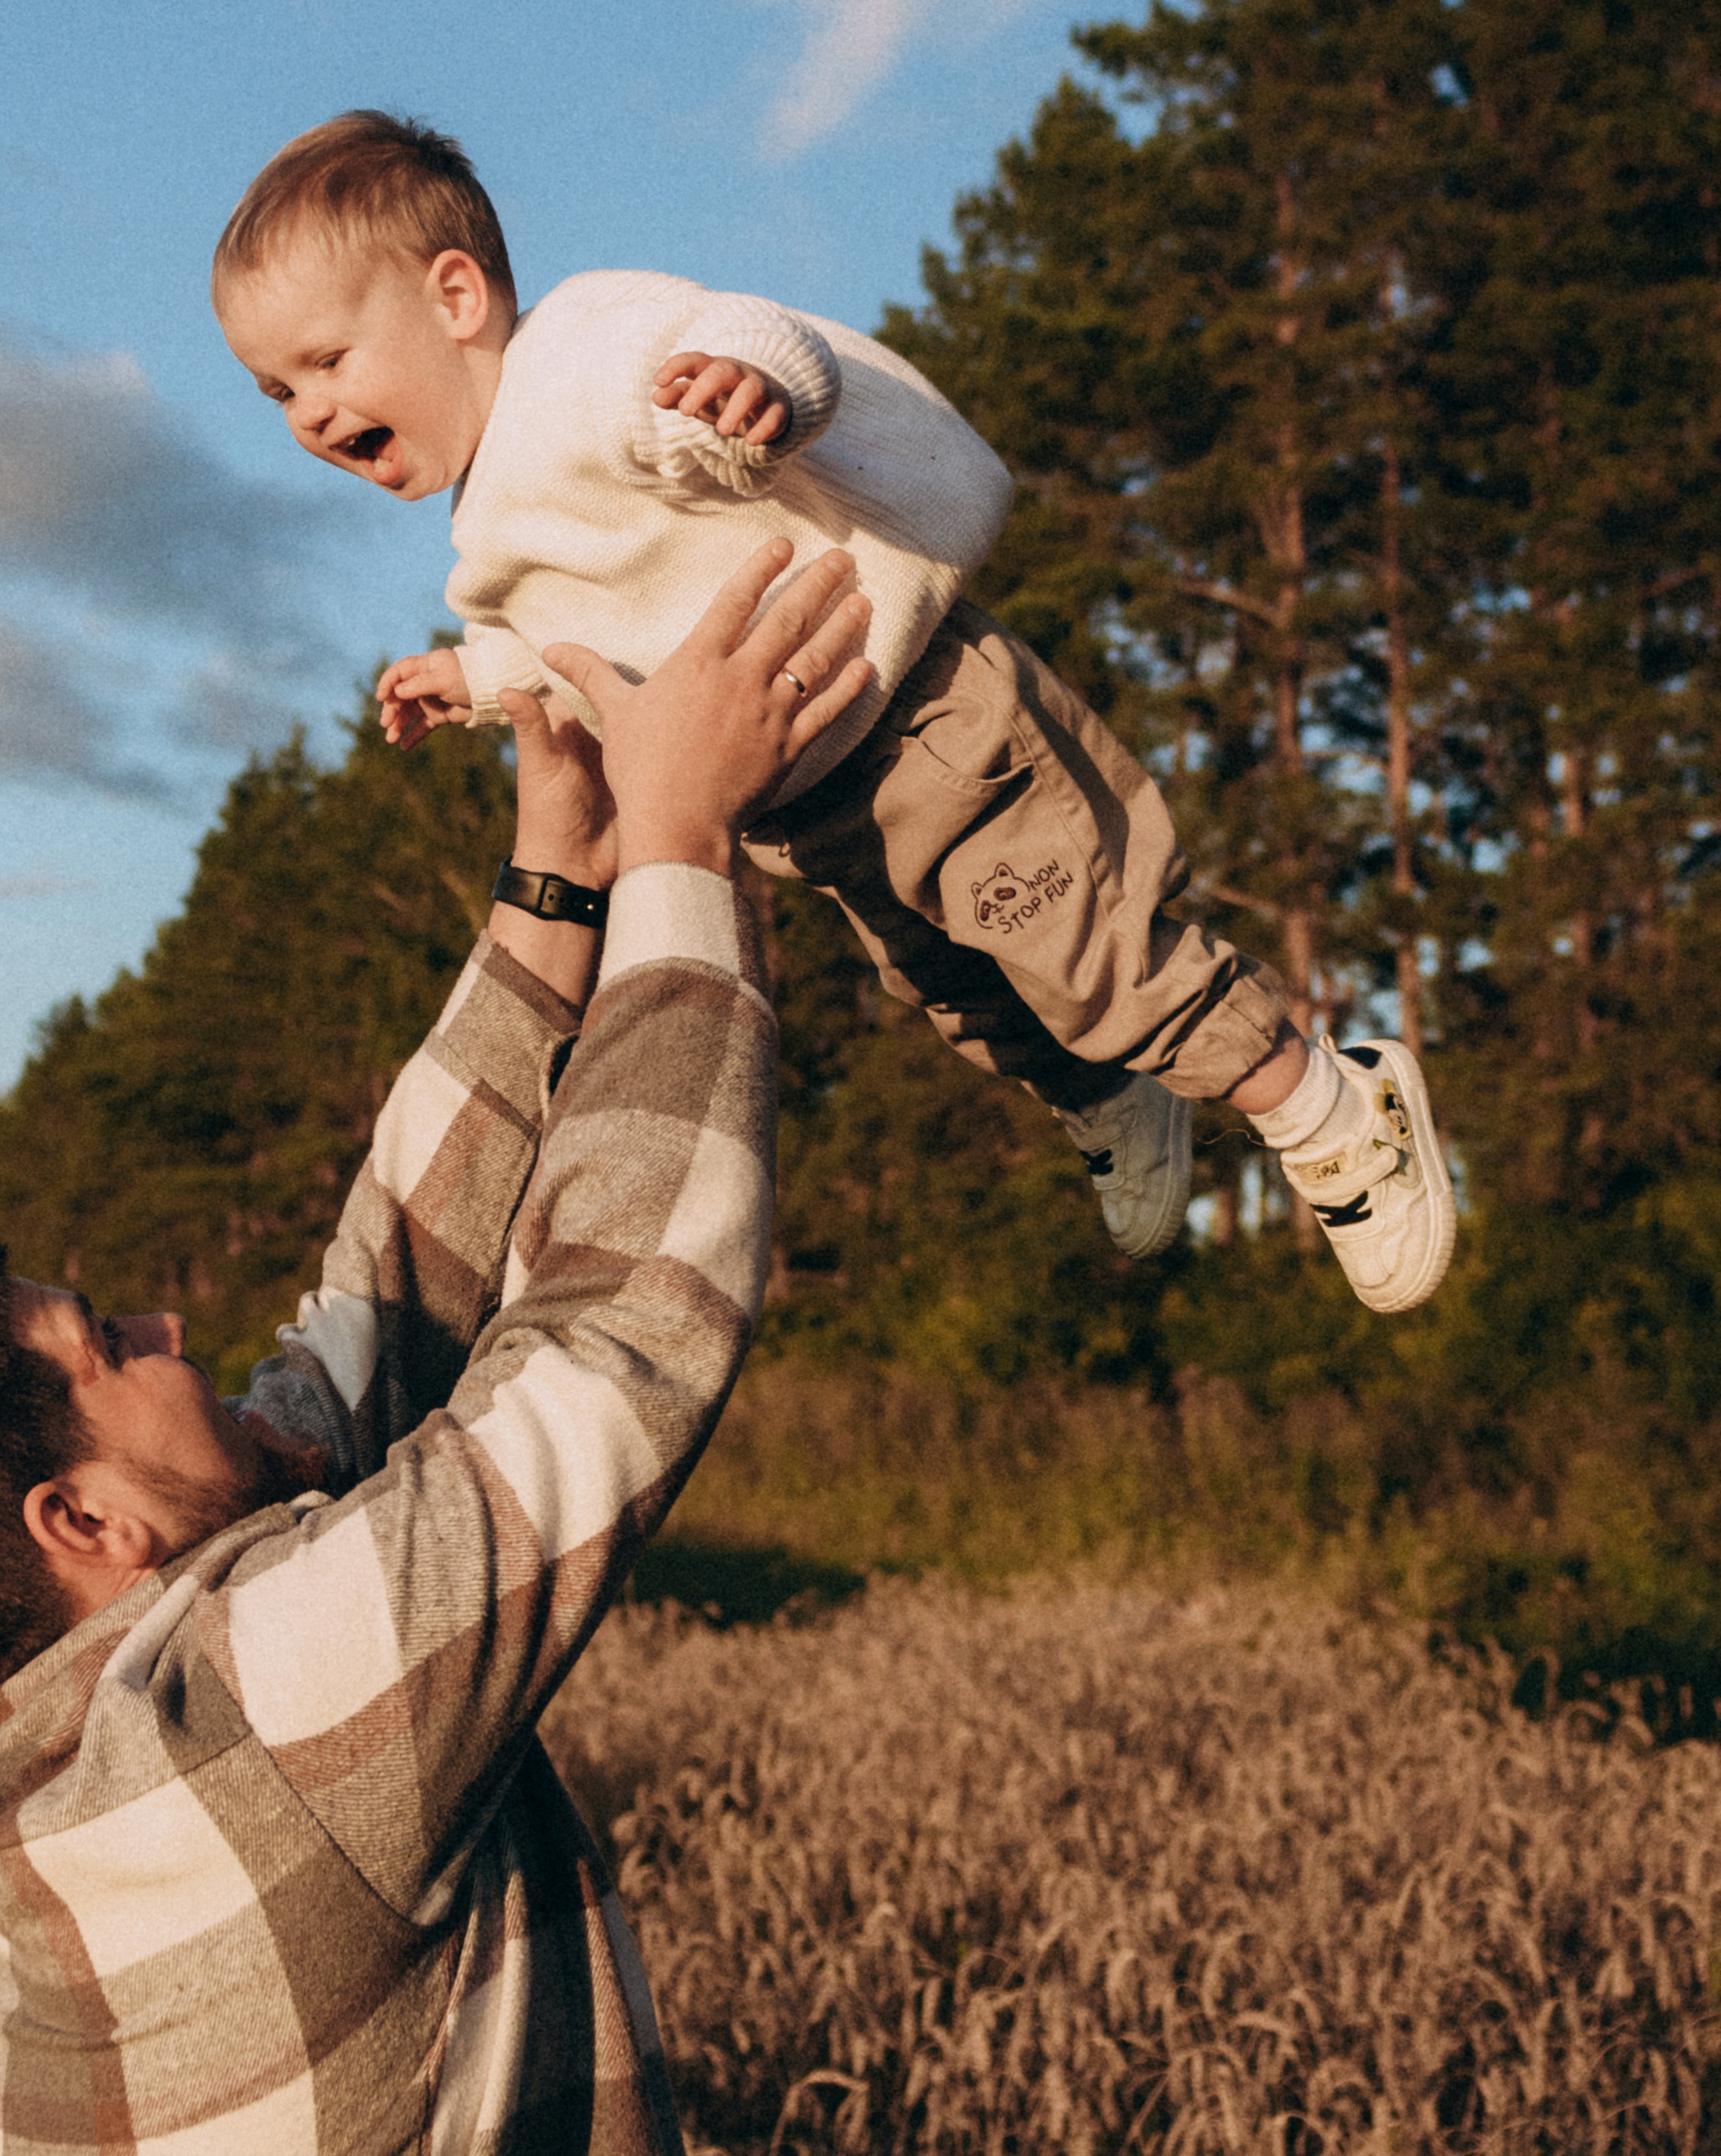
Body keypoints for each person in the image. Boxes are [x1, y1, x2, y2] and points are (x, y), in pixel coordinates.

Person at [0, 540, 877, 2156]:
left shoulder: (39, 1735)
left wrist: (556, 884)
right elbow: (611, 1336)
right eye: (116, 1349)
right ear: (79, 1520)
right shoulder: (248, 1723)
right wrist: (687, 849)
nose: (183, 1338)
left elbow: (367, 1341)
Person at [210, 110, 1456, 1318]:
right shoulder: (490, 521)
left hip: (927, 723)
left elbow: (743, 338)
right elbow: (580, 647)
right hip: (817, 813)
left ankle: (1335, 1110)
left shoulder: (582, 358)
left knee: (1100, 954)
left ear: (456, 299)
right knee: (960, 991)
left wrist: (759, 388)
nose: (311, 413)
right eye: (276, 393)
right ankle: (1112, 1093)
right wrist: (475, 680)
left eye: (326, 361)